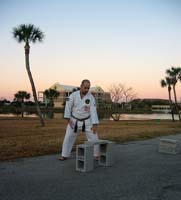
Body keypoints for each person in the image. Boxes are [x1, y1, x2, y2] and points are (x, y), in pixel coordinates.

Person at [59, 79, 99, 161]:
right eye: (85, 88)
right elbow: (67, 108)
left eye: (88, 88)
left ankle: (96, 155)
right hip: (74, 120)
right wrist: (68, 120)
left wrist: (95, 125)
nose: (87, 90)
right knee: (68, 137)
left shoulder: (91, 97)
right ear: (81, 86)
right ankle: (64, 155)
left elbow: (93, 111)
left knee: (94, 137)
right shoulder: (73, 95)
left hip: (87, 121)